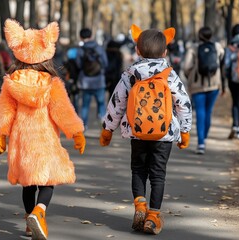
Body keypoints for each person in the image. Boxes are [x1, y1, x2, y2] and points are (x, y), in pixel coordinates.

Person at [0, 19, 86, 240]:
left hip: (22, 139)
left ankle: (29, 219)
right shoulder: (52, 83)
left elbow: (4, 108)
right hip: (44, 139)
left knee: (29, 183)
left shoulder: (11, 83)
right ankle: (40, 211)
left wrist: (0, 133)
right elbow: (62, 110)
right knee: (47, 180)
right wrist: (75, 132)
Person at [99, 24, 192, 235]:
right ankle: (152, 216)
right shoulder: (170, 75)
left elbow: (117, 102)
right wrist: (184, 131)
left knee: (139, 170)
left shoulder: (131, 74)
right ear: (165, 52)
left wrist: (108, 129)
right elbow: (183, 104)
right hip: (164, 133)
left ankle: (140, 205)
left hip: (137, 131)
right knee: (158, 174)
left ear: (138, 50)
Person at [183, 26, 225, 154]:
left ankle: (201, 143)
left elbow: (186, 67)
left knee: (200, 112)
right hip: (214, 84)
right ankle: (204, 136)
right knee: (208, 111)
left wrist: (190, 76)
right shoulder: (217, 47)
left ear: (199, 36)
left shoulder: (193, 48)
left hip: (197, 85)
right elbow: (221, 60)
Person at [76, 28, 108, 130]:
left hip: (85, 82)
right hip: (99, 81)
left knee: (85, 105)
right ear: (91, 36)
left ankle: (84, 125)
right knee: (101, 103)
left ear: (81, 37)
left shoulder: (80, 50)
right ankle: (103, 121)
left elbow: (78, 64)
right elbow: (105, 63)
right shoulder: (99, 48)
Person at [63, 47, 80, 113]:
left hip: (67, 84)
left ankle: (68, 113)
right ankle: (76, 113)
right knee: (76, 101)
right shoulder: (78, 64)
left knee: (68, 100)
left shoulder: (66, 64)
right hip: (76, 84)